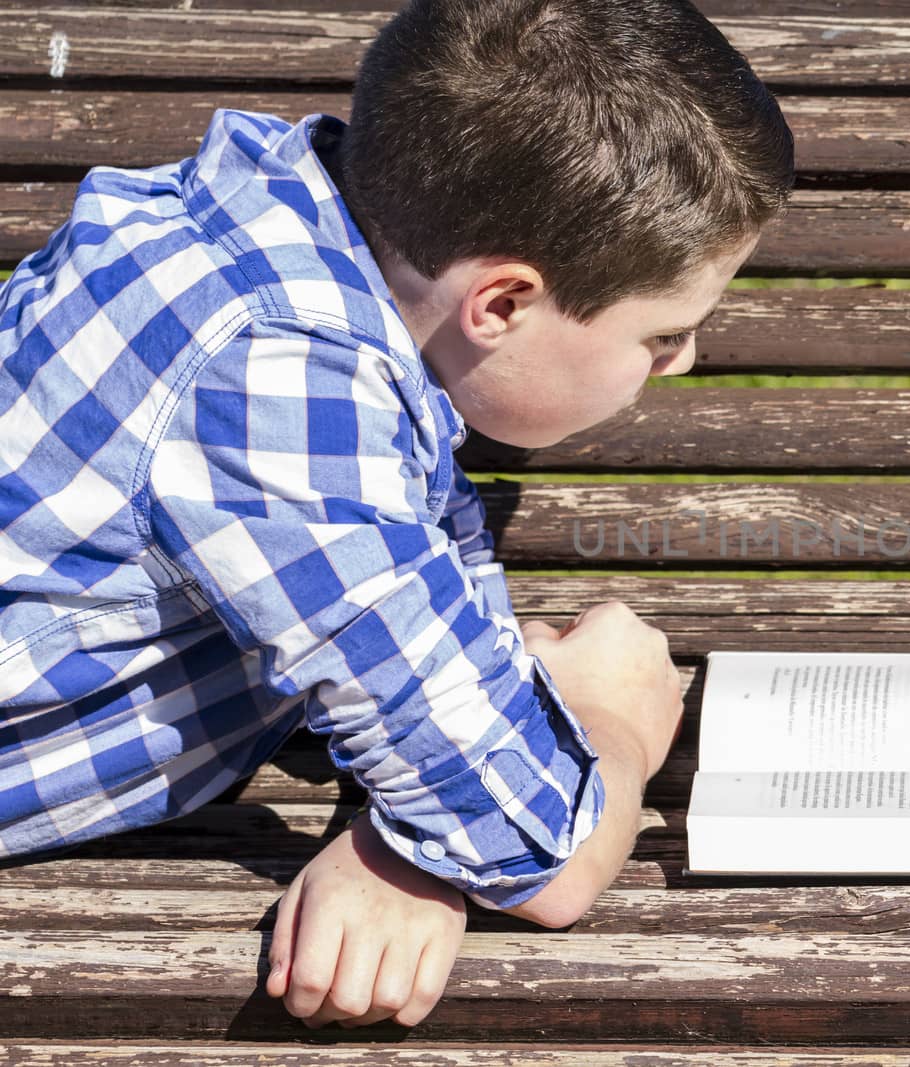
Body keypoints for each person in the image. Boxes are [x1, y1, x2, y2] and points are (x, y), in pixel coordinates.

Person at [0, 0, 792, 1032]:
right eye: (663, 334)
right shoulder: (282, 389)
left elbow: (415, 654)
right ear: (500, 305)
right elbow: (537, 848)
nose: (684, 360)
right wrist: (615, 719)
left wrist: (398, 843)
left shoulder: (253, 219)